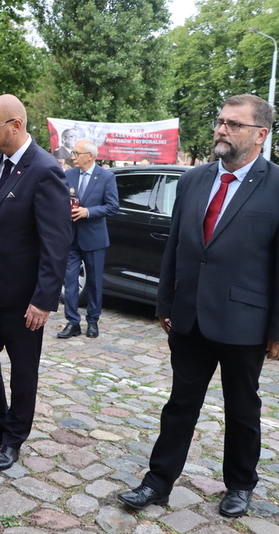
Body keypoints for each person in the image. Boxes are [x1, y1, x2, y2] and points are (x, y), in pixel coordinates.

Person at [118, 94, 279, 518]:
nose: (221, 130)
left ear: (260, 135)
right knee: (179, 404)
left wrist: (277, 330)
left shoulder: (277, 185)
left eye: (234, 124)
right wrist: (165, 301)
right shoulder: (192, 180)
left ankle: (240, 485)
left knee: (242, 408)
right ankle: (158, 482)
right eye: (220, 121)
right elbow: (175, 247)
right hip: (188, 317)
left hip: (245, 320)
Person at [0, 94, 70, 472]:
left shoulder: (45, 169)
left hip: (23, 296)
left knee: (23, 369)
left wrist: (44, 300)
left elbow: (56, 241)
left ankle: (13, 438)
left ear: (16, 126)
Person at [57, 139, 118, 339]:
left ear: (90, 156)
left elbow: (112, 206)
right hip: (72, 237)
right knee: (70, 281)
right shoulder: (69, 174)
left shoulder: (106, 176)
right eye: (73, 153)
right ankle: (72, 322)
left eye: (76, 153)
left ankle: (93, 321)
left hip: (94, 238)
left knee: (93, 282)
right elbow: (61, 199)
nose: (73, 157)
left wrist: (88, 212)